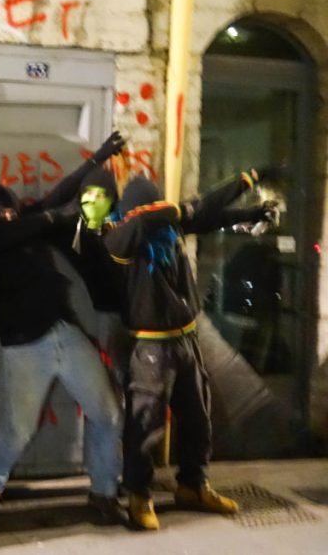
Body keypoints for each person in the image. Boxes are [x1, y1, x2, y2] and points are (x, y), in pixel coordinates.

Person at [0, 132, 127, 524]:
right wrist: (52, 217)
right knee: (18, 428)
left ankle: (104, 493)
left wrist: (98, 158)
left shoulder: (12, 220)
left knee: (107, 414)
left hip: (62, 331)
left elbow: (57, 195)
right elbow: (28, 223)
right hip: (24, 347)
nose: (2, 205)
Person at [103, 169, 281, 530]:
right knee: (144, 425)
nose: (160, 209)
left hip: (185, 338)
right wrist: (244, 181)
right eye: (152, 204)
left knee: (198, 418)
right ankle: (139, 495)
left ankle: (193, 486)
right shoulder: (122, 238)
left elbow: (210, 216)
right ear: (137, 209)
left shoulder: (168, 228)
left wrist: (251, 213)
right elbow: (181, 212)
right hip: (151, 346)